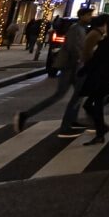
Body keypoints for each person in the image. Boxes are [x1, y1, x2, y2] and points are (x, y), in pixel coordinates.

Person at [15, 7, 92, 135]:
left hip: (74, 67)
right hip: (70, 67)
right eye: (88, 15)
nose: (90, 17)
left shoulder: (80, 29)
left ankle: (71, 120)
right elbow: (75, 49)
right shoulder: (76, 29)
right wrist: (82, 62)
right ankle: (26, 115)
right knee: (60, 95)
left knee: (78, 94)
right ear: (82, 16)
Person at [81, 17, 109, 145]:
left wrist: (83, 71)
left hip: (101, 78)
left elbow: (96, 60)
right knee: (94, 104)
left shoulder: (106, 42)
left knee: (93, 104)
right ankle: (101, 129)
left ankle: (101, 130)